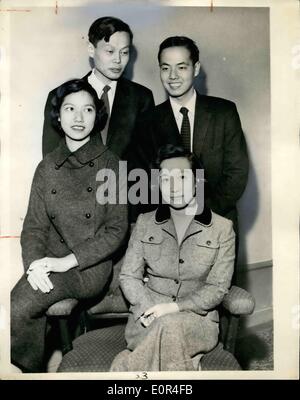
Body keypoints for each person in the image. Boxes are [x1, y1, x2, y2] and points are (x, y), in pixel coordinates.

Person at [11, 79, 128, 373]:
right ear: (58, 116)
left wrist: (66, 262)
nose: (78, 118)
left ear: (97, 116)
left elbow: (115, 230)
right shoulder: (47, 167)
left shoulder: (110, 164)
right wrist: (35, 264)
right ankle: (28, 371)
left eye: (87, 109)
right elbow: (34, 227)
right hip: (49, 261)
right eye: (70, 109)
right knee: (17, 303)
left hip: (88, 268)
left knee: (23, 302)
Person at [110, 144, 235, 371]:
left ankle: (125, 368)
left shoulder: (222, 228)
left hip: (197, 322)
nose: (174, 187)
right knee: (168, 332)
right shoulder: (145, 222)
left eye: (182, 178)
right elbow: (128, 276)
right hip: (146, 318)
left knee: (171, 326)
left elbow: (217, 288)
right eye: (166, 179)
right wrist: (149, 307)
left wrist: (174, 308)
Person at [138, 36, 248, 233]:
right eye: (165, 68)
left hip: (218, 224)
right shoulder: (148, 121)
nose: (173, 76)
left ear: (195, 68)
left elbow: (237, 174)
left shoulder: (224, 112)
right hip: (169, 229)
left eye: (181, 67)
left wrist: (201, 212)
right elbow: (147, 180)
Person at [42, 16, 154, 168]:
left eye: (125, 52)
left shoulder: (141, 98)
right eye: (110, 51)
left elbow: (147, 160)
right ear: (91, 49)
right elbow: (52, 161)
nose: (118, 60)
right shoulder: (60, 96)